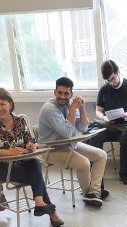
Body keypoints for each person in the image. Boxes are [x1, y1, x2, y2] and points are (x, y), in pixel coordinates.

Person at [0, 88, 65, 227]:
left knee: (35, 162)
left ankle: (40, 202)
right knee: (36, 177)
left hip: (23, 162)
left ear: (10, 105)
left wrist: (31, 146)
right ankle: (48, 210)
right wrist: (9, 152)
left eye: (2, 104)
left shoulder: (20, 120)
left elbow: (30, 140)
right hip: (3, 167)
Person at [37, 76, 108, 208]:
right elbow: (68, 133)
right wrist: (74, 109)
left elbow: (83, 128)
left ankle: (94, 191)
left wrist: (81, 108)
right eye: (59, 93)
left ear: (71, 94)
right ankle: (88, 195)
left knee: (101, 155)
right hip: (50, 149)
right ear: (54, 92)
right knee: (84, 163)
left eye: (66, 93)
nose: (62, 97)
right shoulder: (49, 109)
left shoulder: (70, 104)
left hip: (68, 145)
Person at [88, 60, 127, 186]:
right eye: (108, 80)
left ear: (118, 72)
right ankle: (95, 174)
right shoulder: (104, 89)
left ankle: (123, 173)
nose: (112, 82)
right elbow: (98, 110)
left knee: (126, 139)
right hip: (110, 125)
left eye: (113, 78)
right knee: (94, 136)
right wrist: (104, 118)